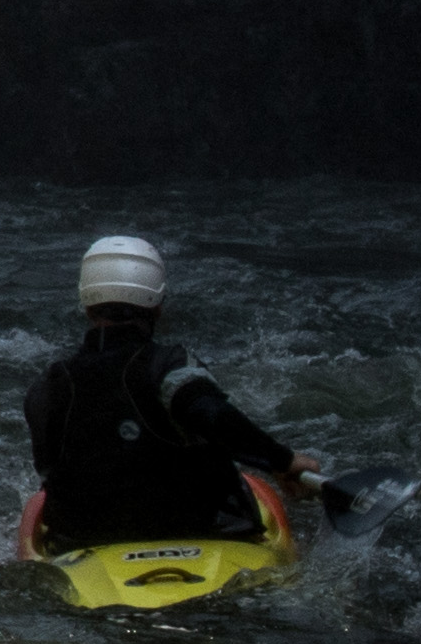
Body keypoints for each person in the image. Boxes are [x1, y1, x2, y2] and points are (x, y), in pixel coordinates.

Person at [24, 233, 315, 547]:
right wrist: (282, 461)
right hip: (196, 529)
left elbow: (49, 473)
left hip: (83, 540)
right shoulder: (169, 367)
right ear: (158, 306)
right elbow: (213, 416)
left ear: (86, 306)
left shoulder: (46, 386)